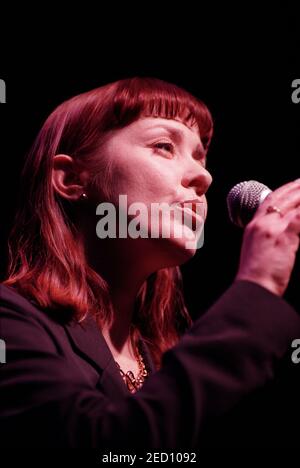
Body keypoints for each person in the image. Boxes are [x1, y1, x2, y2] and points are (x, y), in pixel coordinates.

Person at [0, 77, 300, 449]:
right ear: (72, 178)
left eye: (200, 157)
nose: (204, 177)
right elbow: (102, 448)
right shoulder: (8, 322)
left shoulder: (161, 356)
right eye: (164, 145)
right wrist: (258, 286)